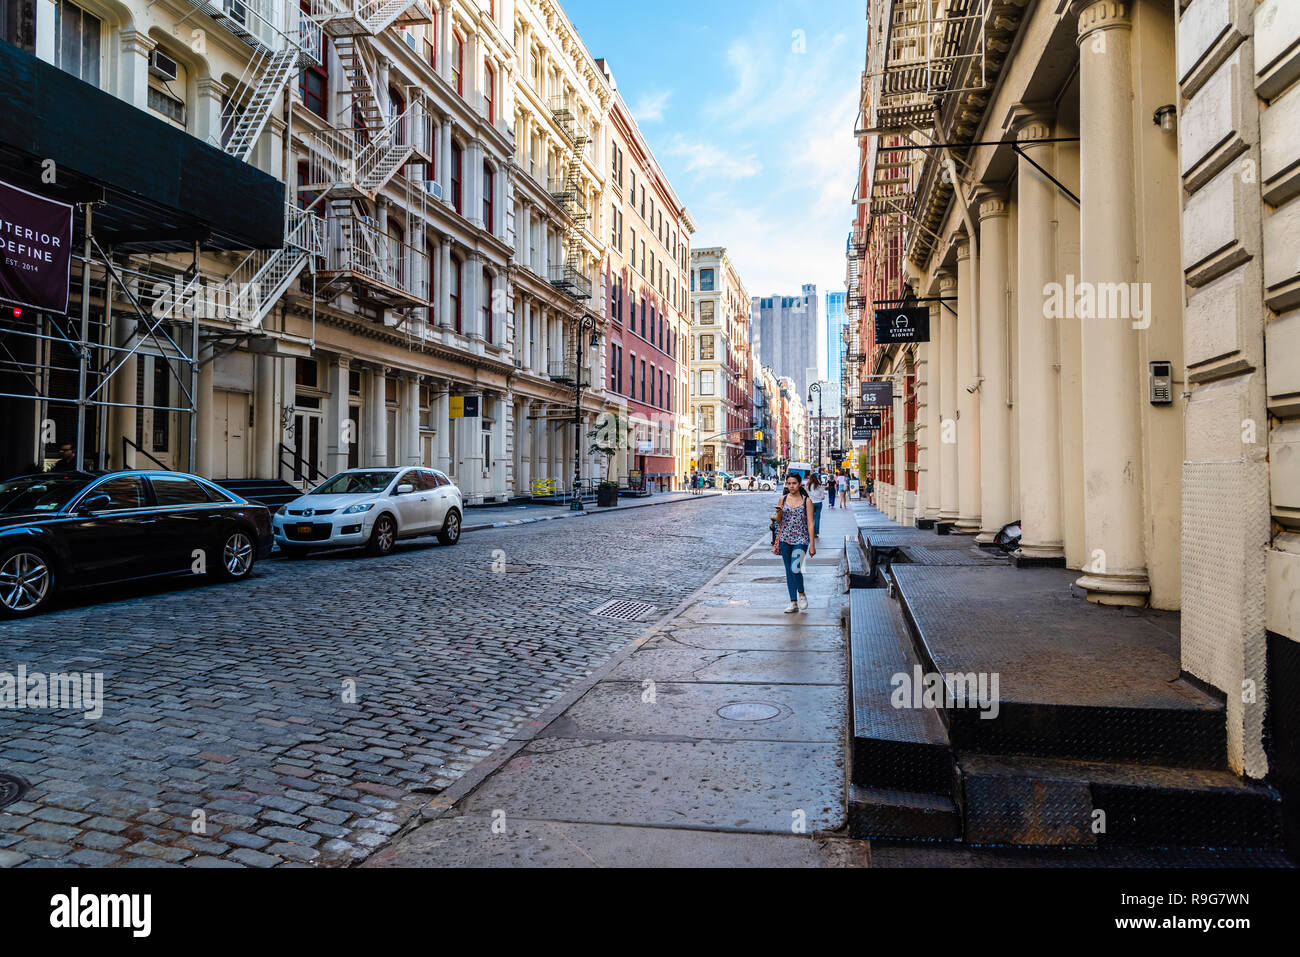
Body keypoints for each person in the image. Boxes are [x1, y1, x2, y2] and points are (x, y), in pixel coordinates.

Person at [771, 472, 815, 613]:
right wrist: (778, 514)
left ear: (799, 484)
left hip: (801, 539)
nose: (791, 486)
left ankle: (801, 594)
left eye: (794, 483)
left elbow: (810, 523)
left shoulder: (806, 500)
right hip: (784, 539)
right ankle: (793, 602)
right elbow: (779, 521)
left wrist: (812, 544)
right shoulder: (782, 499)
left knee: (795, 568)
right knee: (788, 571)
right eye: (789, 483)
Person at [807, 471, 827, 539]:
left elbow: (806, 494)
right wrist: (820, 498)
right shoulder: (819, 486)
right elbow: (823, 496)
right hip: (819, 503)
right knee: (817, 518)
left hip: (811, 503)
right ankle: (816, 533)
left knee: (811, 518)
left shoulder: (808, 486)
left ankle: (811, 532)